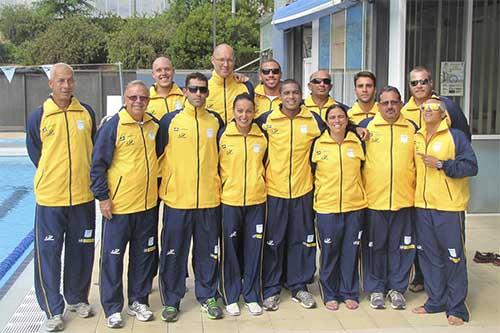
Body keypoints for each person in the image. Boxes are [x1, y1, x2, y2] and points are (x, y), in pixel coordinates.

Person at [26, 63, 96, 332]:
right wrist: (53, 177)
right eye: (61, 81)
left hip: (82, 196)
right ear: (51, 84)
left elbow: (92, 148)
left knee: (81, 250)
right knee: (49, 254)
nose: (66, 86)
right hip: (51, 199)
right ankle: (52, 309)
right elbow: (36, 154)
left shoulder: (86, 113)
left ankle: (77, 298)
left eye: (70, 81)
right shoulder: (39, 116)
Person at [90, 80, 160, 328]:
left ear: (148, 100)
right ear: (124, 99)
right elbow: (98, 164)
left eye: (142, 97)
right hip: (118, 207)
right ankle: (112, 307)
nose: (138, 101)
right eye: (133, 97)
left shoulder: (154, 125)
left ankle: (139, 301)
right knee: (113, 258)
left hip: (147, 207)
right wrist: (103, 198)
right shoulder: (113, 126)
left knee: (143, 258)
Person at [157, 72, 224, 322]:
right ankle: (172, 301)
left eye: (202, 90)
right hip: (177, 201)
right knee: (174, 253)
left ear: (207, 93)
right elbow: (156, 157)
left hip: (208, 200)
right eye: (193, 89)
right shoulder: (169, 121)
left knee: (208, 252)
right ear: (184, 91)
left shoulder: (216, 121)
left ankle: (207, 295)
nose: (198, 94)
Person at [256, 79, 326, 311]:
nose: (291, 97)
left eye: (295, 92)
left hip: (303, 190)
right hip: (274, 191)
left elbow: (337, 131)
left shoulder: (313, 120)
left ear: (301, 94)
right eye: (286, 93)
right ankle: (271, 288)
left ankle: (299, 286)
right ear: (281, 95)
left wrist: (357, 129)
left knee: (302, 241)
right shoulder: (267, 120)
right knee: (273, 241)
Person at [401, 66, 471, 293]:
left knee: (451, 249)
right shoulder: (404, 111)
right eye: (414, 83)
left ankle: (454, 297)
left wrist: (445, 164)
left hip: (446, 196)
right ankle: (424, 280)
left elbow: (463, 145)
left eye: (423, 81)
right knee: (424, 244)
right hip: (418, 193)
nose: (419, 86)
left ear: (431, 83)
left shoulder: (448, 107)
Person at [412, 97, 478, 326]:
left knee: (453, 257)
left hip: (449, 208)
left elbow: (471, 166)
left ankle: (457, 307)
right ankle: (436, 301)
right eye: (424, 108)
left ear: (443, 114)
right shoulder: (417, 137)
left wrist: (442, 164)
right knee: (429, 257)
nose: (428, 111)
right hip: (422, 206)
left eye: (433, 108)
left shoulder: (455, 136)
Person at [359, 86, 417, 311]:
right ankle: (375, 288)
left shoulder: (412, 128)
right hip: (375, 201)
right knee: (375, 247)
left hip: (405, 200)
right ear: (378, 105)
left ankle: (397, 289)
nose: (390, 106)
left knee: (401, 248)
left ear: (401, 103)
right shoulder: (366, 128)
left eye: (394, 102)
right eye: (385, 103)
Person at [311, 104, 367, 311]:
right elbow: (311, 171)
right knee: (329, 251)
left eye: (341, 117)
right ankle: (330, 292)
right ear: (326, 121)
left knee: (350, 251)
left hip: (354, 205)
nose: (337, 120)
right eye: (332, 117)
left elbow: (365, 170)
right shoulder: (317, 143)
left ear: (347, 119)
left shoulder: (357, 141)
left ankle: (349, 292)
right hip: (327, 206)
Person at [218, 94, 268, 316]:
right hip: (230, 201)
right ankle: (230, 295)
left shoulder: (262, 136)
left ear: (254, 112)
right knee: (230, 251)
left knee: (254, 250)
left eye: (248, 111)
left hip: (257, 201)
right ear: (233, 111)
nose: (244, 115)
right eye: (240, 111)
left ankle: (251, 295)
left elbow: (267, 164)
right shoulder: (222, 136)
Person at [207, 43, 254, 123]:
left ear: (234, 61)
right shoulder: (203, 87)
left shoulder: (246, 86)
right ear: (213, 60)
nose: (226, 64)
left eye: (230, 60)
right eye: (221, 60)